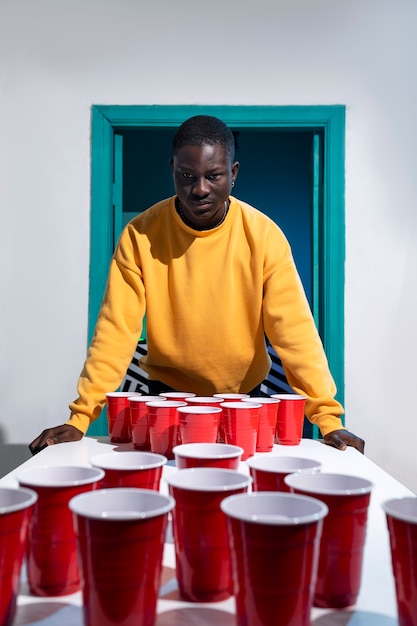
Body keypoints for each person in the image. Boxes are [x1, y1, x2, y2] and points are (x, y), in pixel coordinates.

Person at [30, 115, 364, 455]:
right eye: (187, 176)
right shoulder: (140, 235)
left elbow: (294, 333)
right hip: (166, 395)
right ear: (172, 169)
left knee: (238, 491)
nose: (200, 188)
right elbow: (116, 330)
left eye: (213, 175)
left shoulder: (263, 236)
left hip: (244, 397)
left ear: (233, 174)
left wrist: (329, 419)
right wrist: (81, 417)